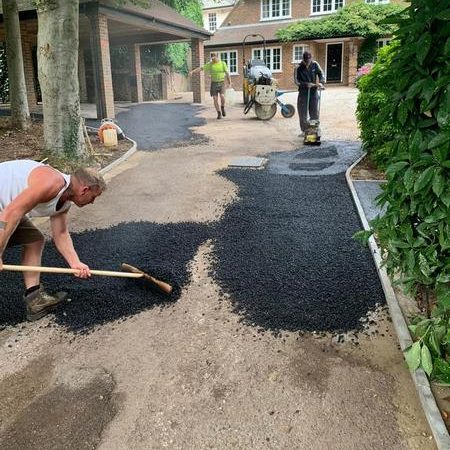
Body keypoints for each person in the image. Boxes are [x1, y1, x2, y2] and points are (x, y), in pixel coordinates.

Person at [0, 160, 106, 321]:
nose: (92, 202)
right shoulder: (51, 182)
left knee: (34, 240)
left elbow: (61, 234)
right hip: (7, 212)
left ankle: (34, 299)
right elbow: (10, 214)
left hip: (7, 209)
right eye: (93, 197)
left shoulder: (65, 202)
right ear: (85, 190)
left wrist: (75, 263)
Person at [190, 53, 232, 119]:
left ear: (217, 57)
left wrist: (230, 82)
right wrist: (193, 71)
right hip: (214, 83)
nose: (213, 60)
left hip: (221, 83)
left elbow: (227, 73)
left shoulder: (222, 64)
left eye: (214, 58)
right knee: (215, 99)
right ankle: (219, 113)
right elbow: (201, 68)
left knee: (222, 96)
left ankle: (222, 107)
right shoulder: (210, 64)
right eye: (212, 58)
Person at [295, 51, 325, 137]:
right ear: (303, 59)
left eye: (309, 60)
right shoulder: (298, 67)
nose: (308, 62)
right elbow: (296, 81)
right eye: (306, 61)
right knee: (302, 113)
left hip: (313, 92)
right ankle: (304, 130)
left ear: (311, 58)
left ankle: (314, 130)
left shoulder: (315, 64)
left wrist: (321, 83)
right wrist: (306, 84)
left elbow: (321, 74)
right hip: (303, 93)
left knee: (314, 112)